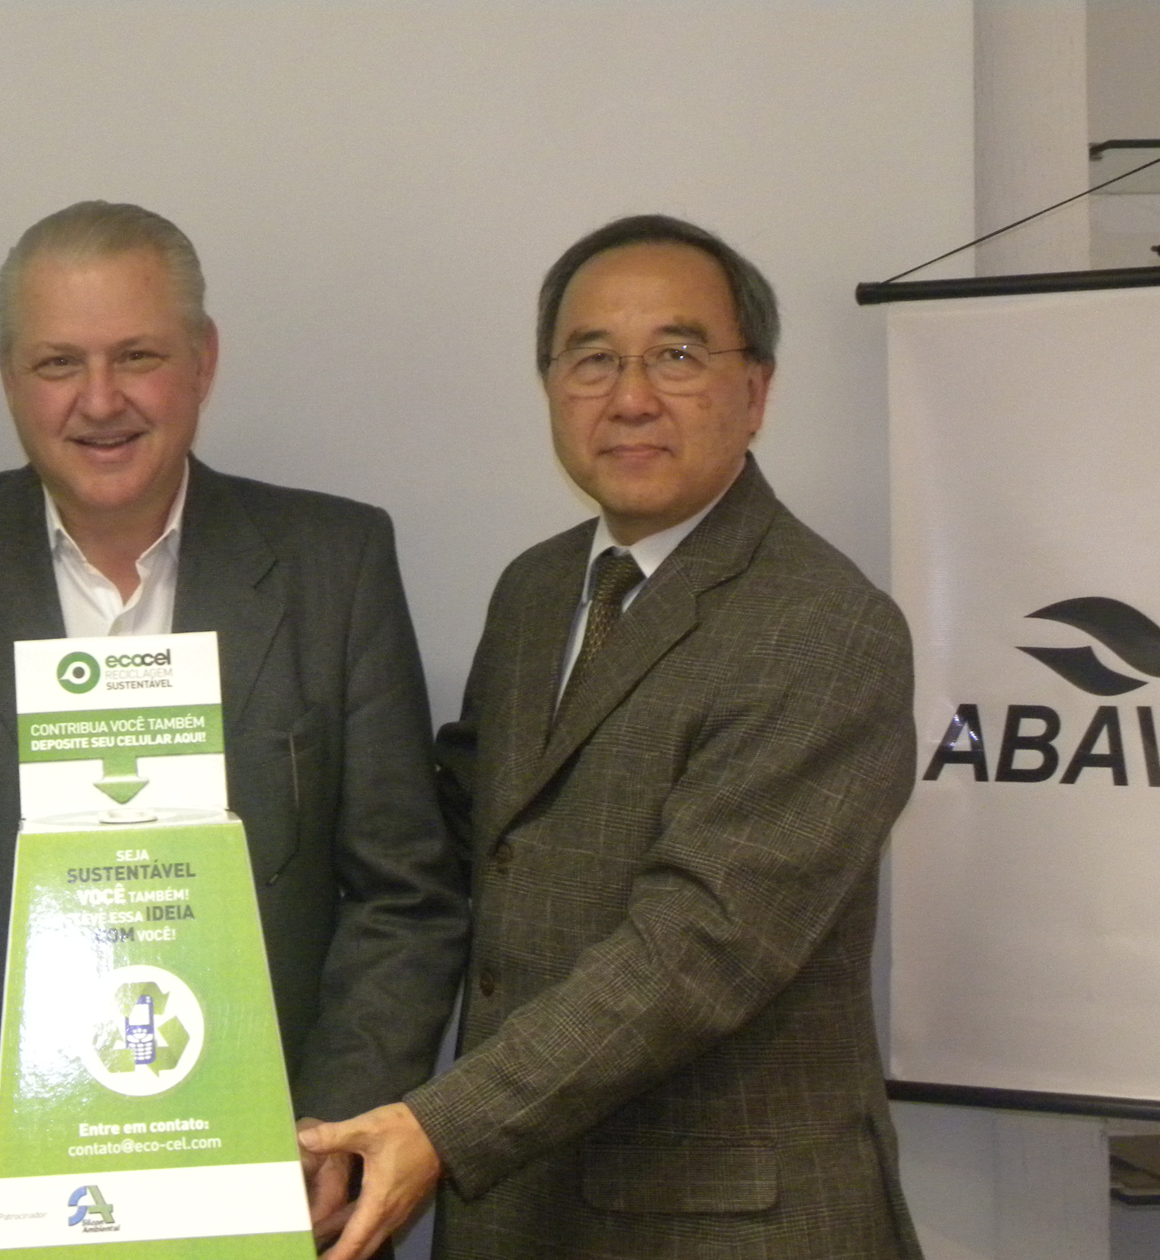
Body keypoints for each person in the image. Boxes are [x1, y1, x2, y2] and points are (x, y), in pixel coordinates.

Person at [0, 200, 467, 1235]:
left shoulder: (335, 564)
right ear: (9, 376)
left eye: (138, 356)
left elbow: (404, 897)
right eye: (58, 363)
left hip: (272, 1203)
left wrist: (325, 1136)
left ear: (203, 361)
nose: (100, 400)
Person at [301, 215, 923, 1259]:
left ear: (756, 389)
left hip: (724, 1228)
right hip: (524, 1213)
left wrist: (440, 1127)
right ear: (551, 385)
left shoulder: (825, 627)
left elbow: (698, 949)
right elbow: (452, 840)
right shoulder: (538, 589)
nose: (630, 398)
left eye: (677, 355)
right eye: (592, 359)